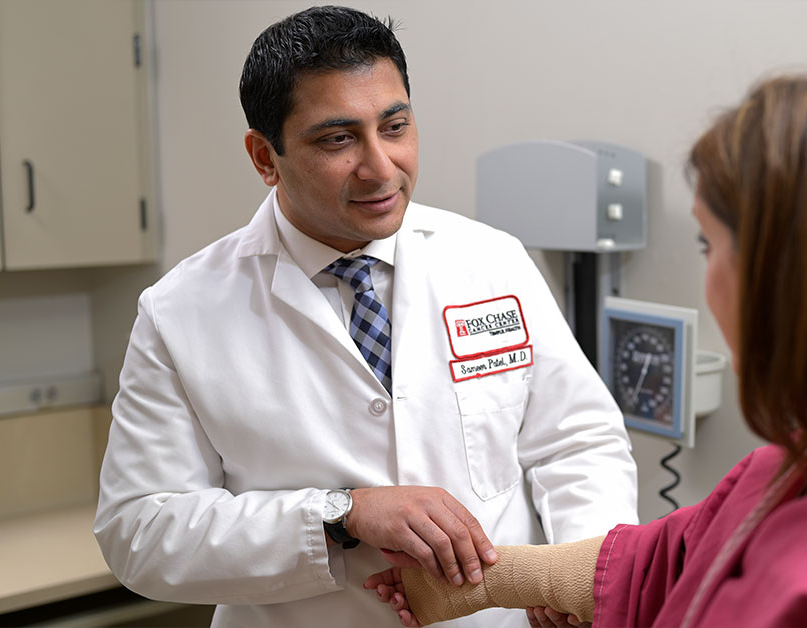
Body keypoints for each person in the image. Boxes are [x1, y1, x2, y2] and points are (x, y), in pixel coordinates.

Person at [367, 70, 807, 627]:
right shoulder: (793, 468)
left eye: (709, 245)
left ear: (788, 282)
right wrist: (494, 581)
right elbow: (671, 558)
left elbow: (579, 438)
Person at [93, 6, 638, 627]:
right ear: (264, 157)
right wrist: (338, 515)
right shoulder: (180, 312)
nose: (382, 167)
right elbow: (137, 530)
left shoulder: (491, 261)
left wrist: (577, 574)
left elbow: (577, 442)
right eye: (338, 139)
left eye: (395, 126)